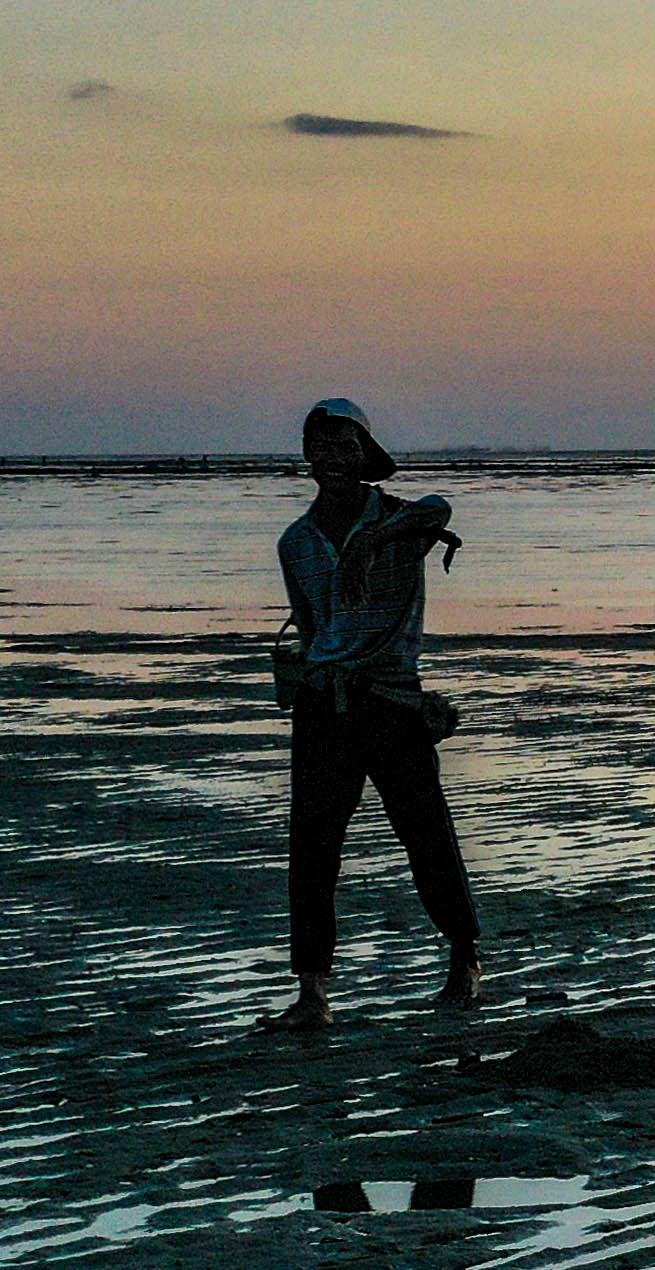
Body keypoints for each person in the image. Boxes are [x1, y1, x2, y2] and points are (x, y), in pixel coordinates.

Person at [266, 399, 484, 1032]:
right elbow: (310, 627)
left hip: (392, 704)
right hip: (323, 706)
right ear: (308, 457)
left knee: (426, 836)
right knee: (312, 849)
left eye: (346, 447)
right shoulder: (296, 542)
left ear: (365, 455)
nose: (333, 460)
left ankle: (466, 958)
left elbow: (438, 507)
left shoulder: (404, 521)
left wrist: (368, 546)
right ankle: (312, 991)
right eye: (321, 447)